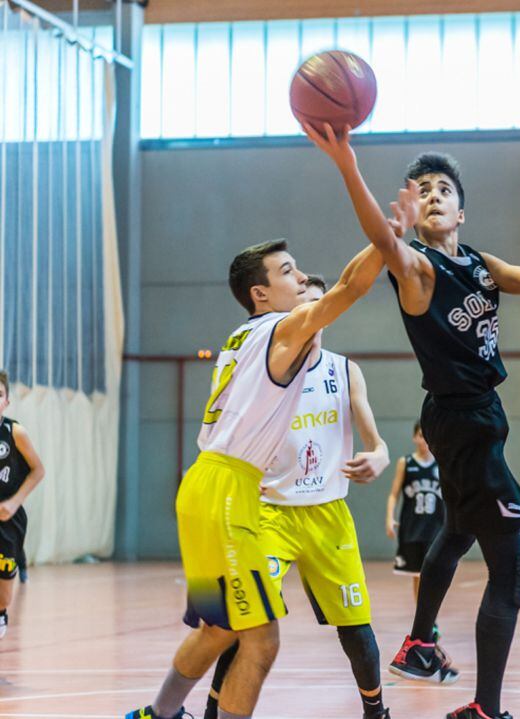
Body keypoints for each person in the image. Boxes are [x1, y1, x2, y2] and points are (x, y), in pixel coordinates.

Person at [307, 123, 520, 719]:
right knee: (513, 571)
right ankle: (485, 709)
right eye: (422, 190)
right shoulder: (420, 269)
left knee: (458, 532)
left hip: (469, 416)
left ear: (462, 209)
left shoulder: (480, 265)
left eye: (443, 189)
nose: (433, 195)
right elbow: (384, 241)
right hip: (463, 421)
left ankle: (417, 643)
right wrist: (348, 165)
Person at [127, 138, 404, 719]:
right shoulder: (279, 332)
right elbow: (351, 287)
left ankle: (157, 713)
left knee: (221, 626)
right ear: (261, 293)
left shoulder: (242, 339)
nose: (302, 278)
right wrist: (387, 237)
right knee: (262, 638)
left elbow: (336, 293)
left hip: (210, 486)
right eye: (289, 272)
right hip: (231, 493)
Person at [201, 275, 391, 719]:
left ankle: (376, 710)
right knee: (240, 617)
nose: (315, 311)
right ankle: (213, 711)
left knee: (355, 626)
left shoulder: (343, 370)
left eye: (322, 303)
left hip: (327, 515)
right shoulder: (263, 373)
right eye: (306, 302)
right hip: (269, 515)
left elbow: (375, 440)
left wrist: (379, 455)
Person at [0, 370, 46, 640]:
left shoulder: (15, 432)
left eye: (0, 395)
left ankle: (1, 614)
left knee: (3, 596)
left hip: (8, 520)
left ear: (7, 402)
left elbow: (38, 470)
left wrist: (15, 502)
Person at [386, 421, 445, 610]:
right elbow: (394, 494)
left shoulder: (442, 463)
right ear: (414, 437)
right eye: (420, 435)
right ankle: (425, 620)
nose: (424, 440)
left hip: (436, 528)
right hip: (413, 528)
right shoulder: (406, 462)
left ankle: (429, 619)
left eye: (427, 436)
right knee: (418, 575)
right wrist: (389, 518)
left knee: (434, 575)